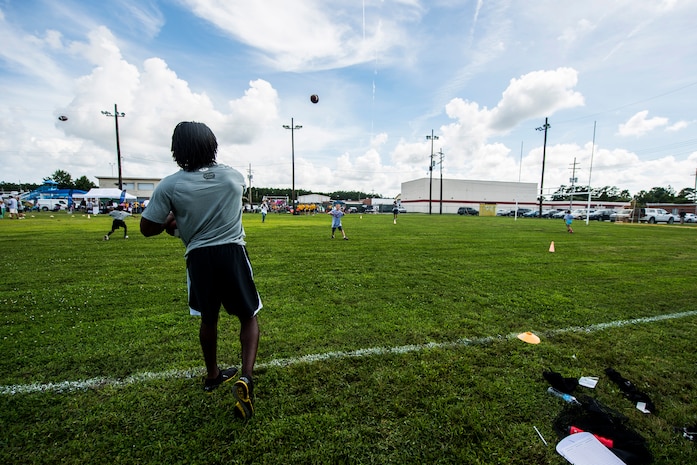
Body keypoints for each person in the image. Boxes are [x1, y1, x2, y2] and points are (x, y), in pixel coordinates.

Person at [140, 121, 260, 421]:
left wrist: (172, 222)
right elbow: (220, 206)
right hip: (232, 251)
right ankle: (246, 375)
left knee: (209, 318)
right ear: (212, 145)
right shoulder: (234, 177)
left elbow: (147, 228)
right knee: (248, 316)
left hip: (199, 257)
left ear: (176, 150)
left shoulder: (171, 185)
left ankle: (212, 375)